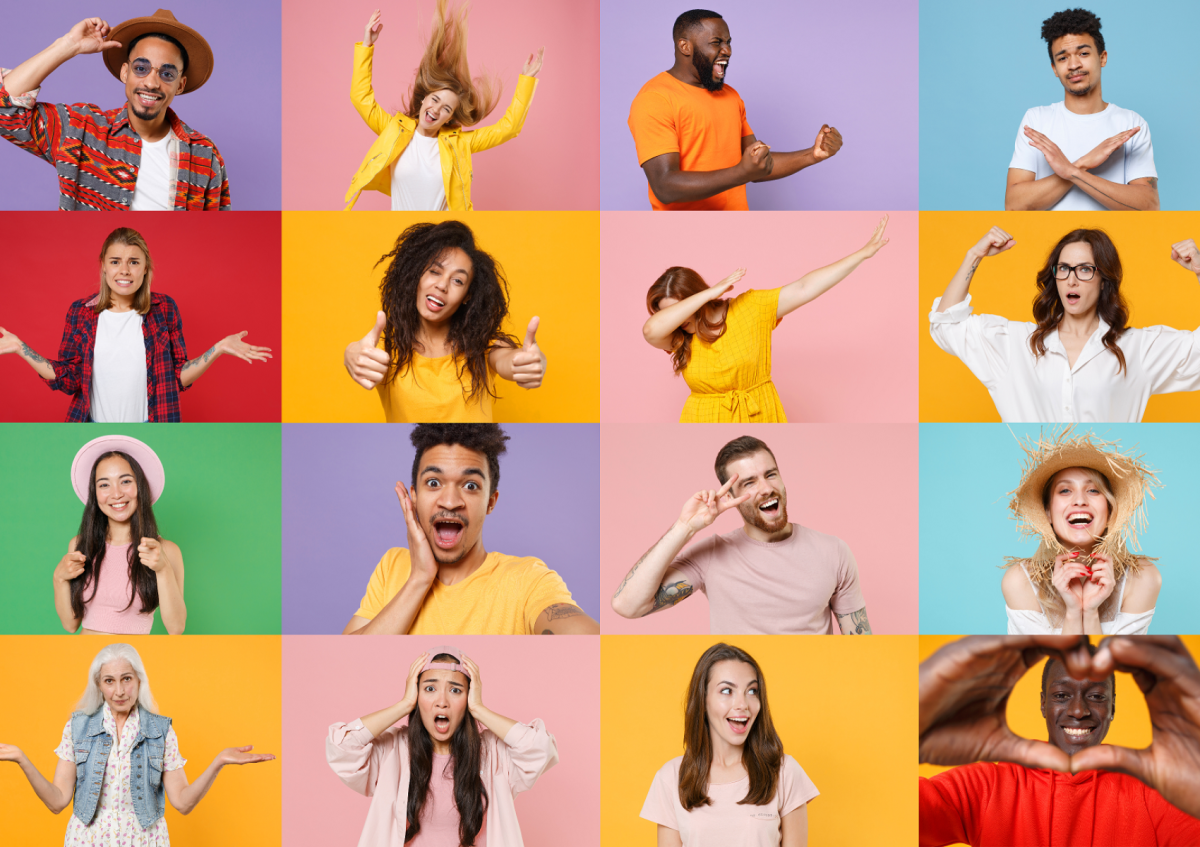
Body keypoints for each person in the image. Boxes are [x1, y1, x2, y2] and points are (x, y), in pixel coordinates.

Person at [919, 635, 1200, 845]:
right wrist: (916, 725)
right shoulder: (986, 787)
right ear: (1043, 705)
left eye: (1096, 696)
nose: (1078, 711)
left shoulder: (1158, 794)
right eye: (1062, 696)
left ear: (1112, 708)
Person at [0, 643, 275, 844]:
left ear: (139, 681)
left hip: (145, 840)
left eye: (126, 679)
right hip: (88, 840)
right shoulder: (78, 727)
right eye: (109, 681)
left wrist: (219, 762)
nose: (119, 691)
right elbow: (58, 801)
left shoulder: (160, 731)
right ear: (99, 685)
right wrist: (22, 759)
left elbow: (182, 803)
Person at [343, 424, 598, 635]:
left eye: (470, 486)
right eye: (433, 483)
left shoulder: (527, 579)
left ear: (491, 502)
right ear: (414, 497)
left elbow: (582, 636)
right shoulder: (392, 566)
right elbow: (345, 662)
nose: (451, 502)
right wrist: (420, 578)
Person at [0, 226, 271, 422]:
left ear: (145, 268)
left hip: (154, 427)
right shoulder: (79, 313)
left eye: (133, 262)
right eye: (115, 262)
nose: (125, 271)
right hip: (90, 426)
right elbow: (69, 380)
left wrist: (219, 348)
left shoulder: (164, 309)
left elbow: (177, 378)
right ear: (104, 266)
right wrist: (20, 348)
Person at [929, 228, 1200, 422]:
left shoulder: (1138, 348)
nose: (1071, 280)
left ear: (1103, 280)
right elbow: (946, 326)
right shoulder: (1014, 344)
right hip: (1040, 487)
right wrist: (974, 255)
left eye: (1084, 269)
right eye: (1064, 268)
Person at [612, 435, 870, 635]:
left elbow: (861, 645)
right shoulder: (712, 555)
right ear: (731, 497)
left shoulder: (834, 551)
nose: (767, 489)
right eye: (749, 483)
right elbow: (627, 606)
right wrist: (685, 527)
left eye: (771, 475)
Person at [643, 216, 889, 422]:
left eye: (682, 309)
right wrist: (709, 293)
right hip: (702, 421)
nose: (678, 321)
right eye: (671, 314)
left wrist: (861, 255)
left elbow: (804, 287)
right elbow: (650, 330)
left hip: (760, 414)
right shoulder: (678, 337)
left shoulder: (751, 307)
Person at [328, 647, 557, 846]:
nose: (442, 701)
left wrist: (478, 709)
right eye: (429, 688)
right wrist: (405, 704)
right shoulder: (393, 750)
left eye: (455, 690)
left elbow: (540, 748)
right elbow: (342, 746)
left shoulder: (493, 752)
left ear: (468, 698)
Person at [0, 11, 229, 210]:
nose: (151, 83)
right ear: (124, 73)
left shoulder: (205, 155)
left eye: (166, 74)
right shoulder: (80, 130)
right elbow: (4, 107)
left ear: (180, 84)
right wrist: (68, 44)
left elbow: (215, 237)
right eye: (141, 68)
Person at [627, 9, 843, 211]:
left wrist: (812, 155)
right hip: (683, 235)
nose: (727, 51)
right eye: (716, 42)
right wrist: (741, 172)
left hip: (737, 231)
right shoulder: (655, 99)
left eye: (728, 43)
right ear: (685, 46)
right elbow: (664, 186)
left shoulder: (730, 95)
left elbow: (757, 165)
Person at [345, 1, 543, 211]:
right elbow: (360, 98)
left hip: (443, 237)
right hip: (404, 237)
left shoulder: (459, 144)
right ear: (424, 98)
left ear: (449, 118)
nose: (436, 110)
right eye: (435, 99)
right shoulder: (394, 131)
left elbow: (509, 128)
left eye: (447, 109)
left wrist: (526, 80)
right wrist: (366, 46)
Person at [342, 220, 546, 422]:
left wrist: (528, 363)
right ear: (417, 276)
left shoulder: (483, 348)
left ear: (467, 295)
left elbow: (508, 359)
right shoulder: (386, 351)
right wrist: (350, 352)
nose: (442, 285)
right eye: (435, 271)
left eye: (458, 280)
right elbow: (362, 354)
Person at [641, 643, 818, 847]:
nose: (742, 704)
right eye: (726, 690)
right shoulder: (671, 777)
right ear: (703, 700)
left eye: (752, 691)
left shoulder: (784, 771)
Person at [1001, 428, 1161, 635]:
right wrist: (1074, 612)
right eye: (1065, 490)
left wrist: (1090, 611)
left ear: (1110, 510)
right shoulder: (1020, 581)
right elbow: (1050, 667)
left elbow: (1113, 668)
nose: (1079, 500)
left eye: (1093, 490)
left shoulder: (1143, 578)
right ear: (1047, 512)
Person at [1005, 9, 1157, 212]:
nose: (1074, 65)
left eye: (1083, 53)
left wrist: (1071, 170)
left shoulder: (1130, 124)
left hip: (1110, 244)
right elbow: (1014, 205)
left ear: (1102, 58)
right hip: (1050, 242)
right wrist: (1084, 163)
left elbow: (1148, 206)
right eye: (1062, 58)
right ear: (1054, 69)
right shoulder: (1036, 121)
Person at [54, 435, 186, 635]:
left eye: (125, 481)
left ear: (140, 486)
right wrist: (59, 578)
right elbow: (70, 625)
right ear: (95, 494)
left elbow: (176, 628)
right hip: (86, 660)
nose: (116, 494)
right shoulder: (80, 545)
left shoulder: (166, 551)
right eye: (104, 485)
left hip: (133, 660)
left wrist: (163, 569)